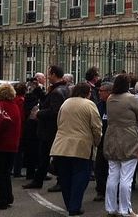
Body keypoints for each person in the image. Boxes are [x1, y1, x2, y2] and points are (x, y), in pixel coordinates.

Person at [50, 82, 102, 216]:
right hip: (81, 145)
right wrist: (96, 141)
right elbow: (96, 127)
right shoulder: (89, 105)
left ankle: (69, 204)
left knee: (65, 176)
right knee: (81, 176)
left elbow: (58, 122)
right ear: (86, 93)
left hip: (62, 145)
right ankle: (74, 205)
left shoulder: (65, 103)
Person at [104, 73, 138, 217]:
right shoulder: (131, 99)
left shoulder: (110, 99)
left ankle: (110, 207)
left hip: (112, 136)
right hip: (129, 137)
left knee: (113, 174)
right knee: (126, 177)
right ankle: (125, 209)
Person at [23, 65, 69, 190]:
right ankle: (38, 180)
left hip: (51, 129)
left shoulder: (57, 91)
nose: (48, 76)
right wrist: (38, 90)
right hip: (52, 129)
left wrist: (39, 113)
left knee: (54, 157)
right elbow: (48, 102)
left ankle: (60, 182)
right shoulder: (62, 88)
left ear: (54, 74)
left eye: (49, 74)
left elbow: (55, 111)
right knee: (45, 156)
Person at [21, 78, 44, 180]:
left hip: (30, 127)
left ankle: (31, 172)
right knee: (33, 151)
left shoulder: (28, 97)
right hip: (32, 128)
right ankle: (31, 173)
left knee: (32, 151)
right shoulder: (32, 98)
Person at [94, 82, 113, 202]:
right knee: (99, 167)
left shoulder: (114, 105)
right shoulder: (98, 105)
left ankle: (111, 191)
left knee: (112, 168)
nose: (99, 92)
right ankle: (100, 190)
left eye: (102, 91)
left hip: (112, 140)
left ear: (109, 92)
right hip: (101, 141)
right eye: (99, 90)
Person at [11, 82, 27, 177]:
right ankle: (17, 170)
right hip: (20, 129)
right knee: (19, 151)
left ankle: (13, 169)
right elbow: (22, 116)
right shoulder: (21, 101)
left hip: (14, 128)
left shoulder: (13, 100)